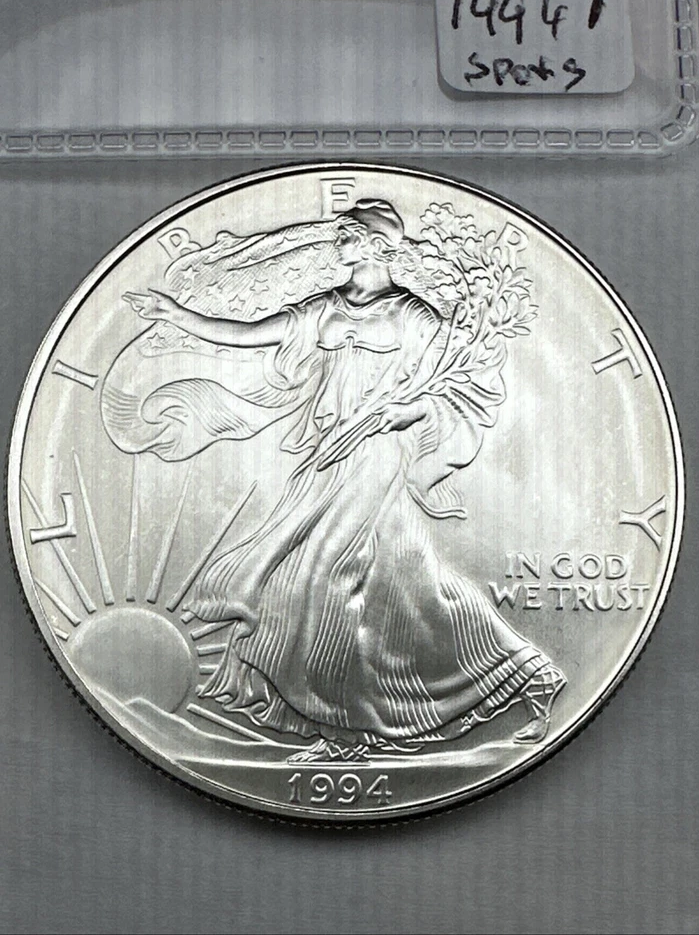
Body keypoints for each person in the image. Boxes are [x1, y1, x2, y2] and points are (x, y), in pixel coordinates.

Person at [122, 198, 565, 761]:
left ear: (378, 245)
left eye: (349, 234)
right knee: (403, 587)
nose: (339, 242)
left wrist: (409, 410)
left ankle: (349, 732)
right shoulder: (324, 309)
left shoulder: (415, 317)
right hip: (326, 457)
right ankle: (521, 674)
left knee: (328, 579)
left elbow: (456, 388)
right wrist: (176, 315)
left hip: (375, 455)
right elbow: (248, 334)